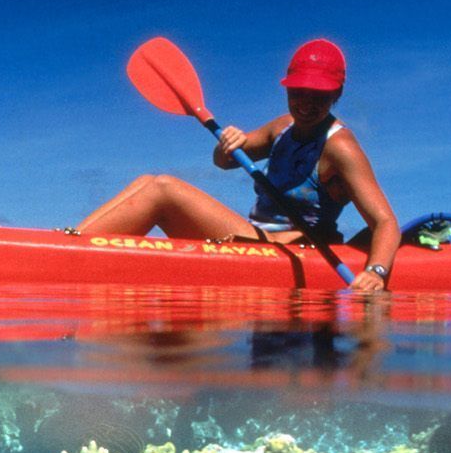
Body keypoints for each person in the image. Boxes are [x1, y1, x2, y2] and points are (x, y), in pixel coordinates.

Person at [78, 39, 400, 292]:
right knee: (147, 181)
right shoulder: (282, 127)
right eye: (299, 92)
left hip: (285, 249)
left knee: (163, 190)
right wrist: (228, 144)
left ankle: (70, 251)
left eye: (319, 95)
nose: (306, 103)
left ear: (337, 94)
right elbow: (223, 163)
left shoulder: (340, 147)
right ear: (288, 87)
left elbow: (385, 221)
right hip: (255, 239)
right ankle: (70, 240)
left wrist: (376, 271)